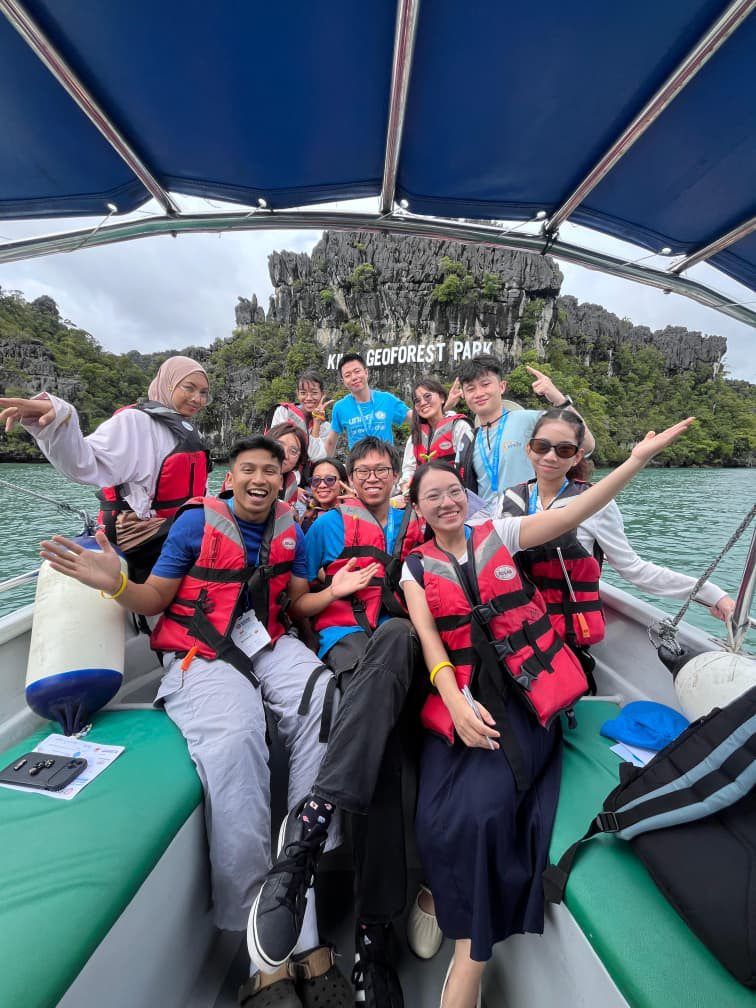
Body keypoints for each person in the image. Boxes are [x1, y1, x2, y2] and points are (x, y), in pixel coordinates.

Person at [39, 436, 352, 1006]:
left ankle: (299, 864)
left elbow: (297, 599)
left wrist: (341, 590)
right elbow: (155, 597)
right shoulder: (193, 524)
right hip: (197, 653)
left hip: (267, 642)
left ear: (284, 480)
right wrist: (112, 579)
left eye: (270, 471)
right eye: (247, 469)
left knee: (326, 700)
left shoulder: (292, 526)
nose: (260, 479)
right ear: (229, 478)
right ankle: (265, 948)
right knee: (235, 741)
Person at [400, 417, 696, 1008]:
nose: (447, 501)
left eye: (454, 490)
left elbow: (574, 512)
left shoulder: (503, 533)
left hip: (523, 699)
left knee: (484, 812)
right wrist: (454, 702)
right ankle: (436, 892)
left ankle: (472, 959)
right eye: (432, 495)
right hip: (461, 696)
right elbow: (432, 641)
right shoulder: (413, 569)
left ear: (467, 495)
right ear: (419, 510)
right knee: (433, 814)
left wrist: (634, 460)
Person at [248, 437, 425, 1008]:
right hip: (345, 643)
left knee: (398, 634)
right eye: (361, 470)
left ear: (395, 475)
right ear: (349, 478)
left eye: (381, 469)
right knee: (388, 753)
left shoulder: (412, 520)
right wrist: (334, 589)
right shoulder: (322, 528)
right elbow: (295, 606)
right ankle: (373, 941)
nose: (371, 477)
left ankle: (314, 820)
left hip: (406, 651)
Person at [498, 409, 736, 650]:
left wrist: (711, 593)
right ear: (529, 448)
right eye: (542, 446)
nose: (550, 456)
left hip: (565, 637)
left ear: (577, 456)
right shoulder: (508, 501)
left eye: (564, 450)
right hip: (515, 628)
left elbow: (635, 569)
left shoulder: (597, 504)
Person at [0, 355, 211, 582]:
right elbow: (83, 463)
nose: (197, 399)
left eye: (203, 393)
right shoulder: (135, 422)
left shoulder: (184, 430)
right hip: (146, 539)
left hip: (178, 531)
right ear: (167, 385)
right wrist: (60, 416)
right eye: (189, 388)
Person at [456, 354, 594, 508]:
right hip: (488, 527)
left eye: (485, 384)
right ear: (463, 395)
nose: (479, 393)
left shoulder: (528, 420)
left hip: (529, 521)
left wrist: (558, 399)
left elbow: (587, 444)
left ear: (502, 387)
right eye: (470, 389)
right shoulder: (469, 439)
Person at [324, 353, 411, 453]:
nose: (354, 377)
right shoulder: (340, 407)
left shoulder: (386, 399)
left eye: (357, 371)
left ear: (366, 372)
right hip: (359, 466)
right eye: (348, 375)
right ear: (343, 381)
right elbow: (331, 442)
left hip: (385, 464)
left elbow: (414, 417)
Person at [399, 376, 473, 491]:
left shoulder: (458, 426)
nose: (422, 403)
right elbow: (409, 469)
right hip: (423, 495)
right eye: (417, 401)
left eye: (427, 396)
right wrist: (405, 486)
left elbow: (467, 467)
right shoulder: (416, 435)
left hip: (454, 492)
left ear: (442, 398)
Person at [270, 369, 333, 461]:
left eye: (314, 393)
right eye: (303, 393)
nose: (308, 398)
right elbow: (274, 444)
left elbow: (315, 457)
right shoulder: (284, 412)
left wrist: (316, 422)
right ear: (297, 394)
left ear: (322, 394)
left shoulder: (326, 427)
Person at [300, 457, 350, 533]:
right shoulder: (309, 515)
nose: (322, 485)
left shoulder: (353, 515)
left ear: (343, 484)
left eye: (329, 479)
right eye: (316, 480)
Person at [268, 421, 309, 510]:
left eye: (293, 451)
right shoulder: (245, 473)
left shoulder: (290, 484)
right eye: (279, 446)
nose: (285, 455)